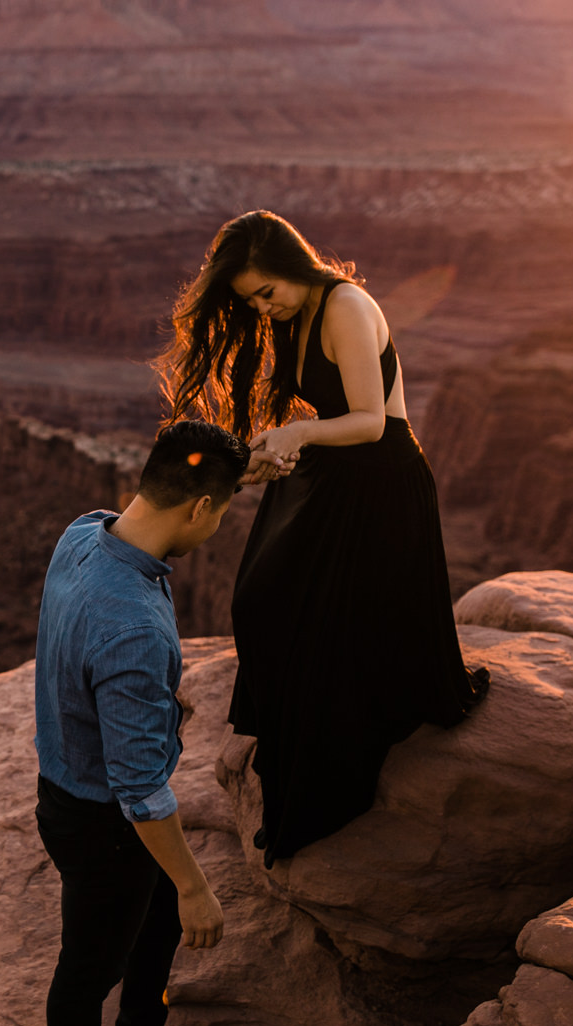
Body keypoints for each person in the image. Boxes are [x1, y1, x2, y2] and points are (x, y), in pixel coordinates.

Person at [157, 210, 487, 869]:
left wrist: (300, 435)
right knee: (258, 596)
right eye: (252, 299)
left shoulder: (345, 306)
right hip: (337, 473)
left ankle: (323, 775)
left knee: (305, 615)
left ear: (292, 266)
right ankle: (291, 742)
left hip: (384, 484)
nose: (263, 307)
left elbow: (369, 422)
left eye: (266, 292)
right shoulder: (298, 314)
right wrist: (266, 456)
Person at [34, 418, 250, 1026]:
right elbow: (139, 790)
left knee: (152, 926)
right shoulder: (132, 627)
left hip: (70, 788)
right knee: (88, 969)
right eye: (220, 512)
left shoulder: (85, 532)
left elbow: (75, 651)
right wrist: (197, 886)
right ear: (197, 508)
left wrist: (148, 704)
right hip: (102, 823)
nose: (217, 527)